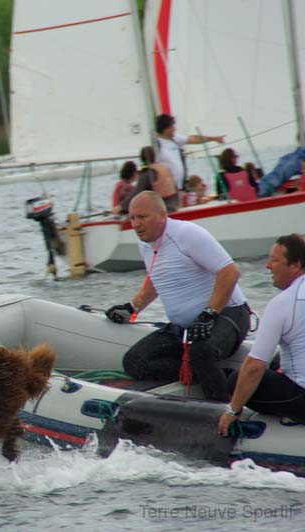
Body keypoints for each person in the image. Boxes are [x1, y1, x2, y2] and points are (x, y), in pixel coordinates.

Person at [105, 191, 250, 401]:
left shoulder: (186, 234)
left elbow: (230, 272)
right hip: (187, 327)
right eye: (132, 218)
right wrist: (132, 307)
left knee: (200, 351)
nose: (136, 224)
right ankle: (216, 376)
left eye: (142, 217)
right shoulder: (145, 243)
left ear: (162, 216)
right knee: (135, 361)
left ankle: (223, 410)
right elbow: (159, 276)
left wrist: (209, 314)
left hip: (229, 315)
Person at [218, 234, 305, 436]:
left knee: (236, 379)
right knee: (277, 359)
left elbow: (255, 367)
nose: (268, 266)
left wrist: (233, 409)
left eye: (275, 260)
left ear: (296, 266)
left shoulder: (283, 302)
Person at [155, 113, 225, 191]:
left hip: (179, 187)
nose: (175, 128)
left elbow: (194, 139)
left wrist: (214, 139)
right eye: (172, 126)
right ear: (165, 129)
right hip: (167, 188)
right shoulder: (157, 144)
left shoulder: (175, 139)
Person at [119, 146, 179, 213]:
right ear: (154, 156)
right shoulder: (165, 168)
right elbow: (175, 187)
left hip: (160, 211)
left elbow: (136, 193)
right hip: (173, 206)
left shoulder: (147, 173)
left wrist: (121, 207)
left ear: (142, 158)